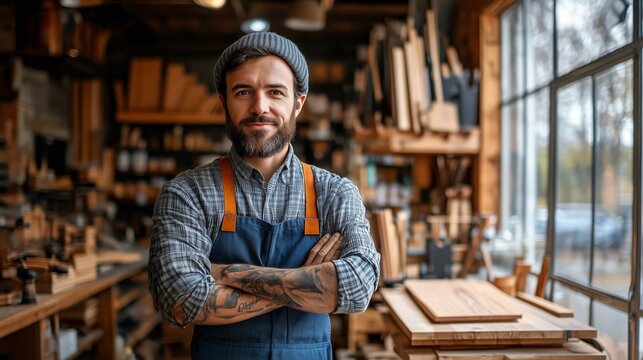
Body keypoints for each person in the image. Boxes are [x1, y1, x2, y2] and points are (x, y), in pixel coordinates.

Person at [148, 32, 381, 360]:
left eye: (275, 92)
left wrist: (224, 273)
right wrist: (311, 282)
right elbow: (180, 298)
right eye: (243, 92)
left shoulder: (335, 193)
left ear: (298, 103)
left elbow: (357, 288)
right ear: (224, 101)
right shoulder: (187, 194)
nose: (260, 107)